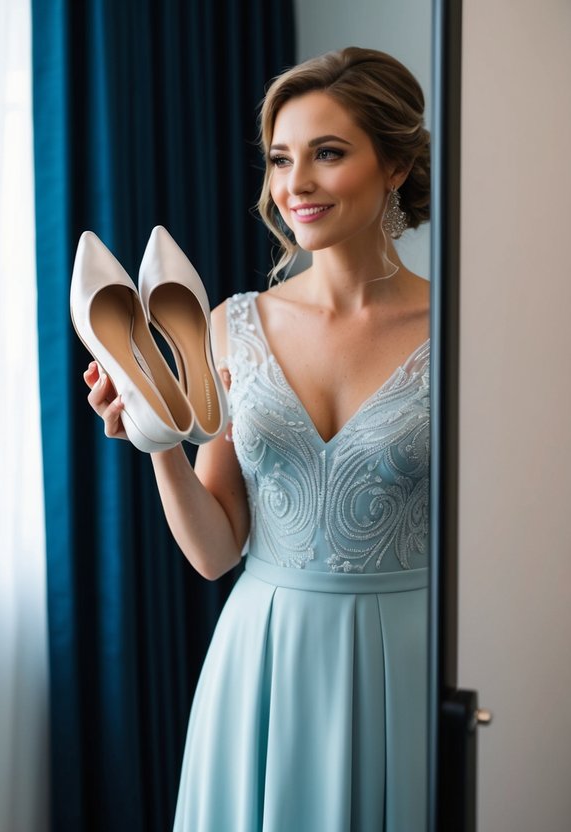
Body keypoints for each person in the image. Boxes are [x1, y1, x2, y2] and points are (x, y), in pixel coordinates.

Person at [86, 47, 431, 830]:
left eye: (327, 153)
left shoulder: (457, 332)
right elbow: (214, 551)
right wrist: (157, 443)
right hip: (261, 658)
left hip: (404, 660)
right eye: (280, 160)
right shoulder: (232, 324)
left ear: (397, 165)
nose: (294, 185)